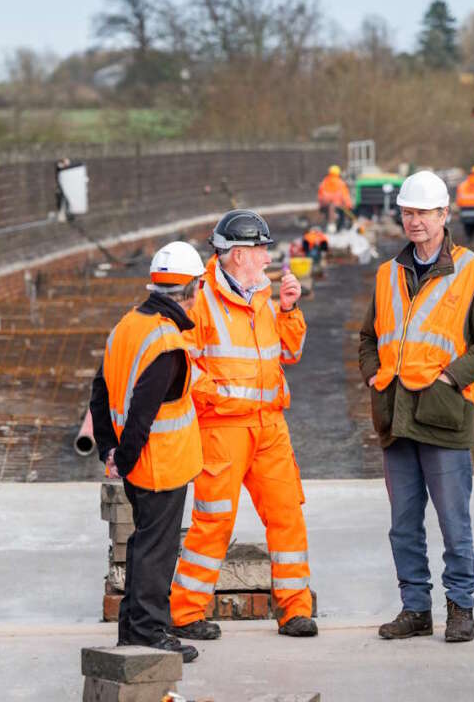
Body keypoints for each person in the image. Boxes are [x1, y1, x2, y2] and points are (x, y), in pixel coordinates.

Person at [358, 170, 474, 643]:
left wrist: (452, 377)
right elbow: (368, 337)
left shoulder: (471, 271)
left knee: (453, 524)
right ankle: (415, 609)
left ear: (445, 215)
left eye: (423, 212)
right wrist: (372, 376)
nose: (414, 221)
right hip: (396, 418)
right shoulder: (387, 275)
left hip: (442, 418)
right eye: (407, 212)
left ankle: (460, 608)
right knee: (403, 526)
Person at [169, 209, 318, 640]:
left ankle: (294, 610)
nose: (267, 258)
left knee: (287, 515)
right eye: (260, 249)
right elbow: (181, 364)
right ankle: (185, 613)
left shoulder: (261, 294)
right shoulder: (199, 299)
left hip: (270, 428)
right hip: (223, 430)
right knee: (214, 520)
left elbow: (289, 354)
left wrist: (288, 310)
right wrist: (222, 397)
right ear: (236, 256)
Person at [88, 241, 207, 663]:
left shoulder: (126, 326)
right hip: (160, 465)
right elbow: (143, 410)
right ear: (191, 290)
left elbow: (100, 392)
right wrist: (127, 454)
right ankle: (150, 632)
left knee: (143, 545)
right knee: (156, 550)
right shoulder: (166, 343)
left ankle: (133, 628)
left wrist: (110, 449)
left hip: (137, 464)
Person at [317, 165, 353, 231]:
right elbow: (345, 196)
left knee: (328, 216)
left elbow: (320, 196)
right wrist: (349, 206)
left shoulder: (324, 182)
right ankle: (338, 228)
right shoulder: (341, 183)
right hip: (338, 206)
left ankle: (329, 226)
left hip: (326, 205)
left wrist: (321, 206)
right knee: (341, 217)